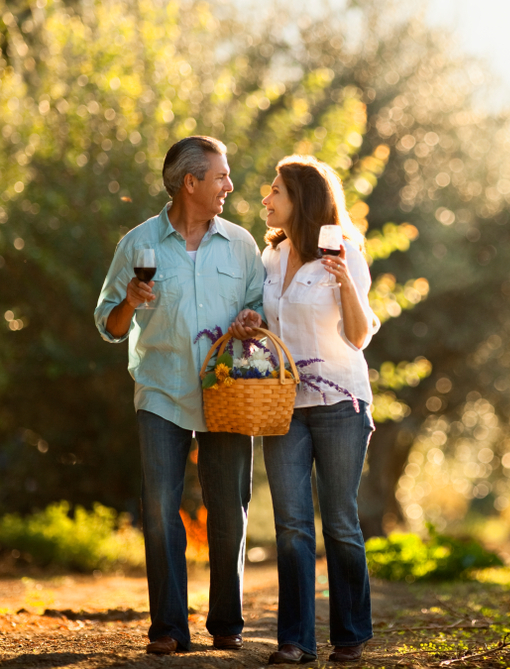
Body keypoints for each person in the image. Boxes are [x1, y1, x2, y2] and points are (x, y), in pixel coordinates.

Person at [95, 136, 265, 655]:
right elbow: (109, 323)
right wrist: (129, 301)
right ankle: (168, 627)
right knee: (161, 505)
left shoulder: (240, 244)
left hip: (228, 392)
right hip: (162, 391)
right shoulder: (138, 243)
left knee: (229, 507)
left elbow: (261, 311)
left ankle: (226, 623)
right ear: (189, 183)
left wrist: (251, 322)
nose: (229, 186)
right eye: (220, 177)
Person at [229, 155, 378, 664]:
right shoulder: (270, 259)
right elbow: (270, 326)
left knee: (339, 522)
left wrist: (343, 281)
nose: (265, 198)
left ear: (302, 200)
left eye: (275, 190)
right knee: (292, 525)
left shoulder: (346, 254)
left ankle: (351, 635)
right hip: (284, 404)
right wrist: (250, 323)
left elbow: (358, 336)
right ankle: (295, 640)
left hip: (340, 402)